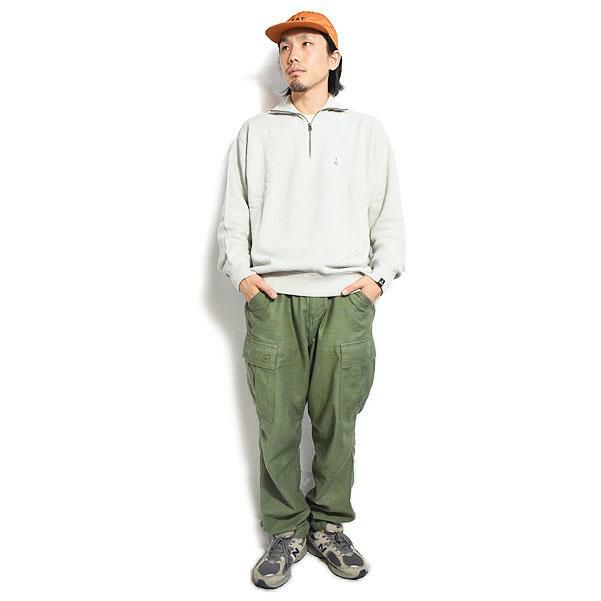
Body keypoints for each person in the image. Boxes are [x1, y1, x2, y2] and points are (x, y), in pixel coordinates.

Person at [216, 11, 406, 589]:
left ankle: (328, 526)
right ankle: (284, 531)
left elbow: (388, 216)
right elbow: (234, 218)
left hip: (344, 300)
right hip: (274, 299)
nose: (292, 55)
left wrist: (378, 280)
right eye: (284, 47)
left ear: (333, 58)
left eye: (306, 44)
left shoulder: (365, 130)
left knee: (337, 424)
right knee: (276, 425)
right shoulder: (256, 132)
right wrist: (243, 277)